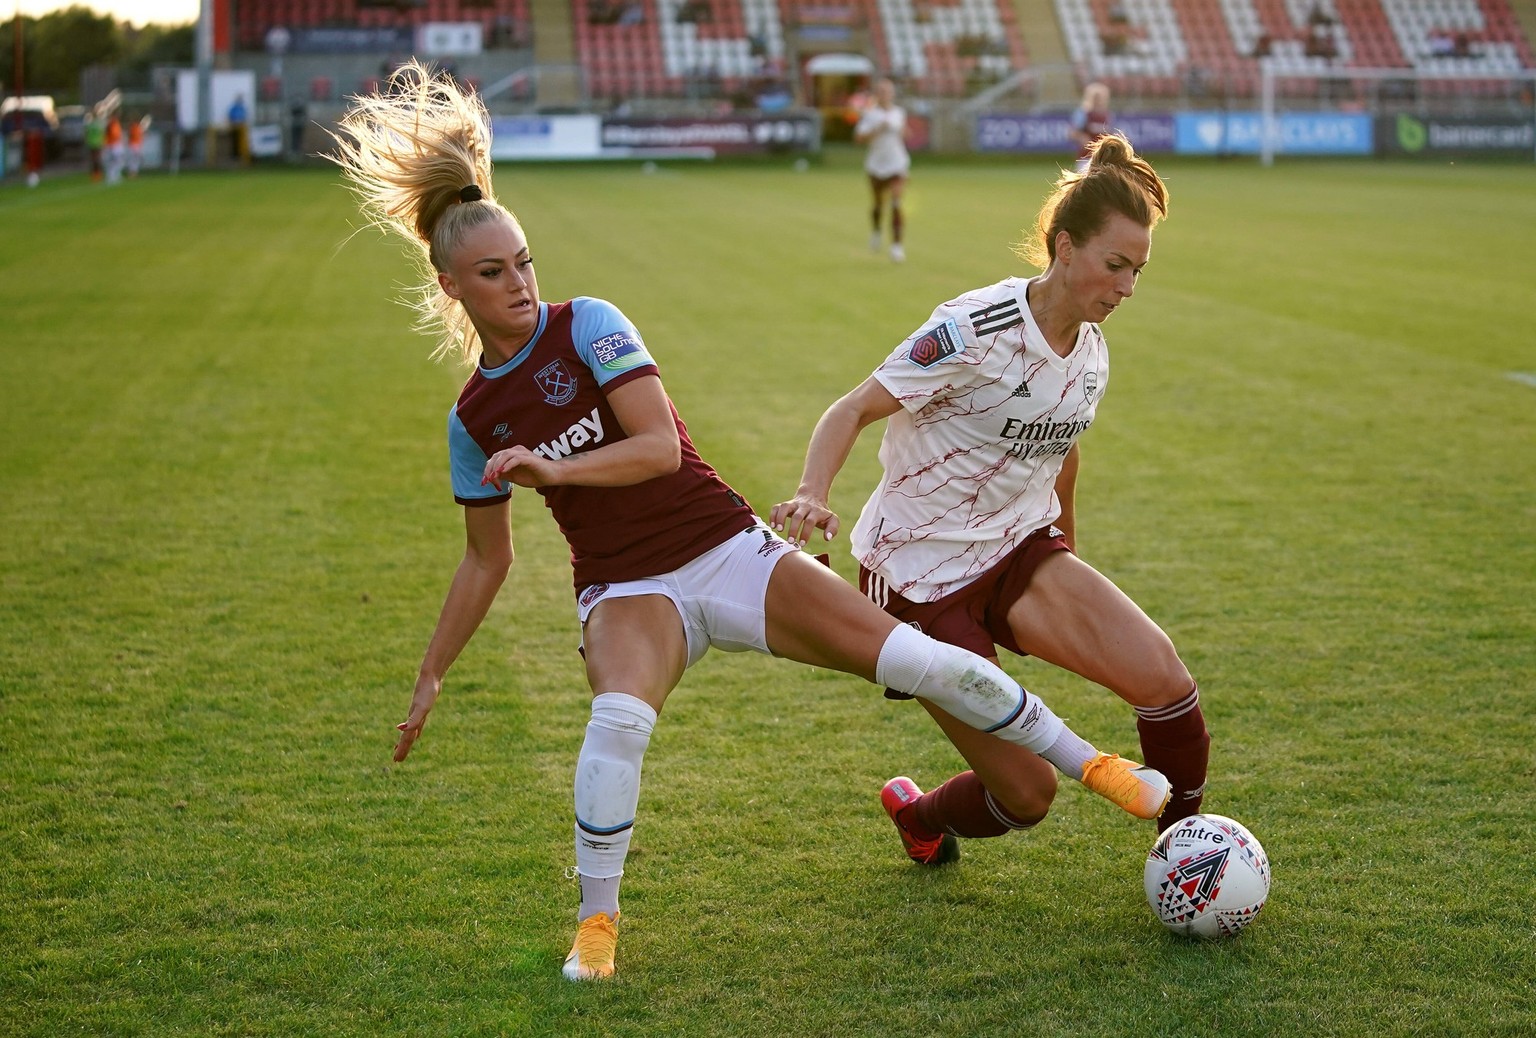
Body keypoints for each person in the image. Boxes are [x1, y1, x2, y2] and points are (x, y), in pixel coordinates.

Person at [328, 65, 1171, 983]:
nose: (520, 284)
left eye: (525, 261)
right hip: (627, 590)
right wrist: (431, 674)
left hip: (728, 551)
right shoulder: (472, 417)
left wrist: (554, 467)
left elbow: (654, 448)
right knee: (615, 723)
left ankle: (1094, 767)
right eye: (493, 273)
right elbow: (485, 561)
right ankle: (597, 927)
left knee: (912, 657)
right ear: (452, 287)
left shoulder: (592, 325)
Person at [770, 134, 1210, 871]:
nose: (1127, 286)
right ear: (1065, 249)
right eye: (1115, 264)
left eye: (1138, 269)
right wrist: (812, 492)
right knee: (1028, 795)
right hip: (919, 575)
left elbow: (1061, 450)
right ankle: (918, 813)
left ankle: (1187, 854)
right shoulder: (973, 328)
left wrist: (1065, 551)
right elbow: (850, 408)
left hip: (1020, 552)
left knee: (1164, 682)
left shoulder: (1093, 351)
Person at [854, 77, 910, 263]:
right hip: (877, 164)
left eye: (888, 91)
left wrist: (901, 130)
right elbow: (859, 138)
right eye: (881, 92)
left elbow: (906, 134)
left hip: (897, 163)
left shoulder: (898, 113)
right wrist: (878, 129)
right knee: (878, 203)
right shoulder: (870, 114)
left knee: (896, 202)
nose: (885, 95)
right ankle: (877, 231)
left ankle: (896, 245)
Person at [1068, 81, 1111, 173]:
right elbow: (1072, 133)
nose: (1098, 101)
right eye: (1096, 97)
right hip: (1086, 158)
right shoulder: (1083, 114)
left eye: (1100, 98)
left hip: (1102, 159)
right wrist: (1081, 137)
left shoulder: (1107, 115)